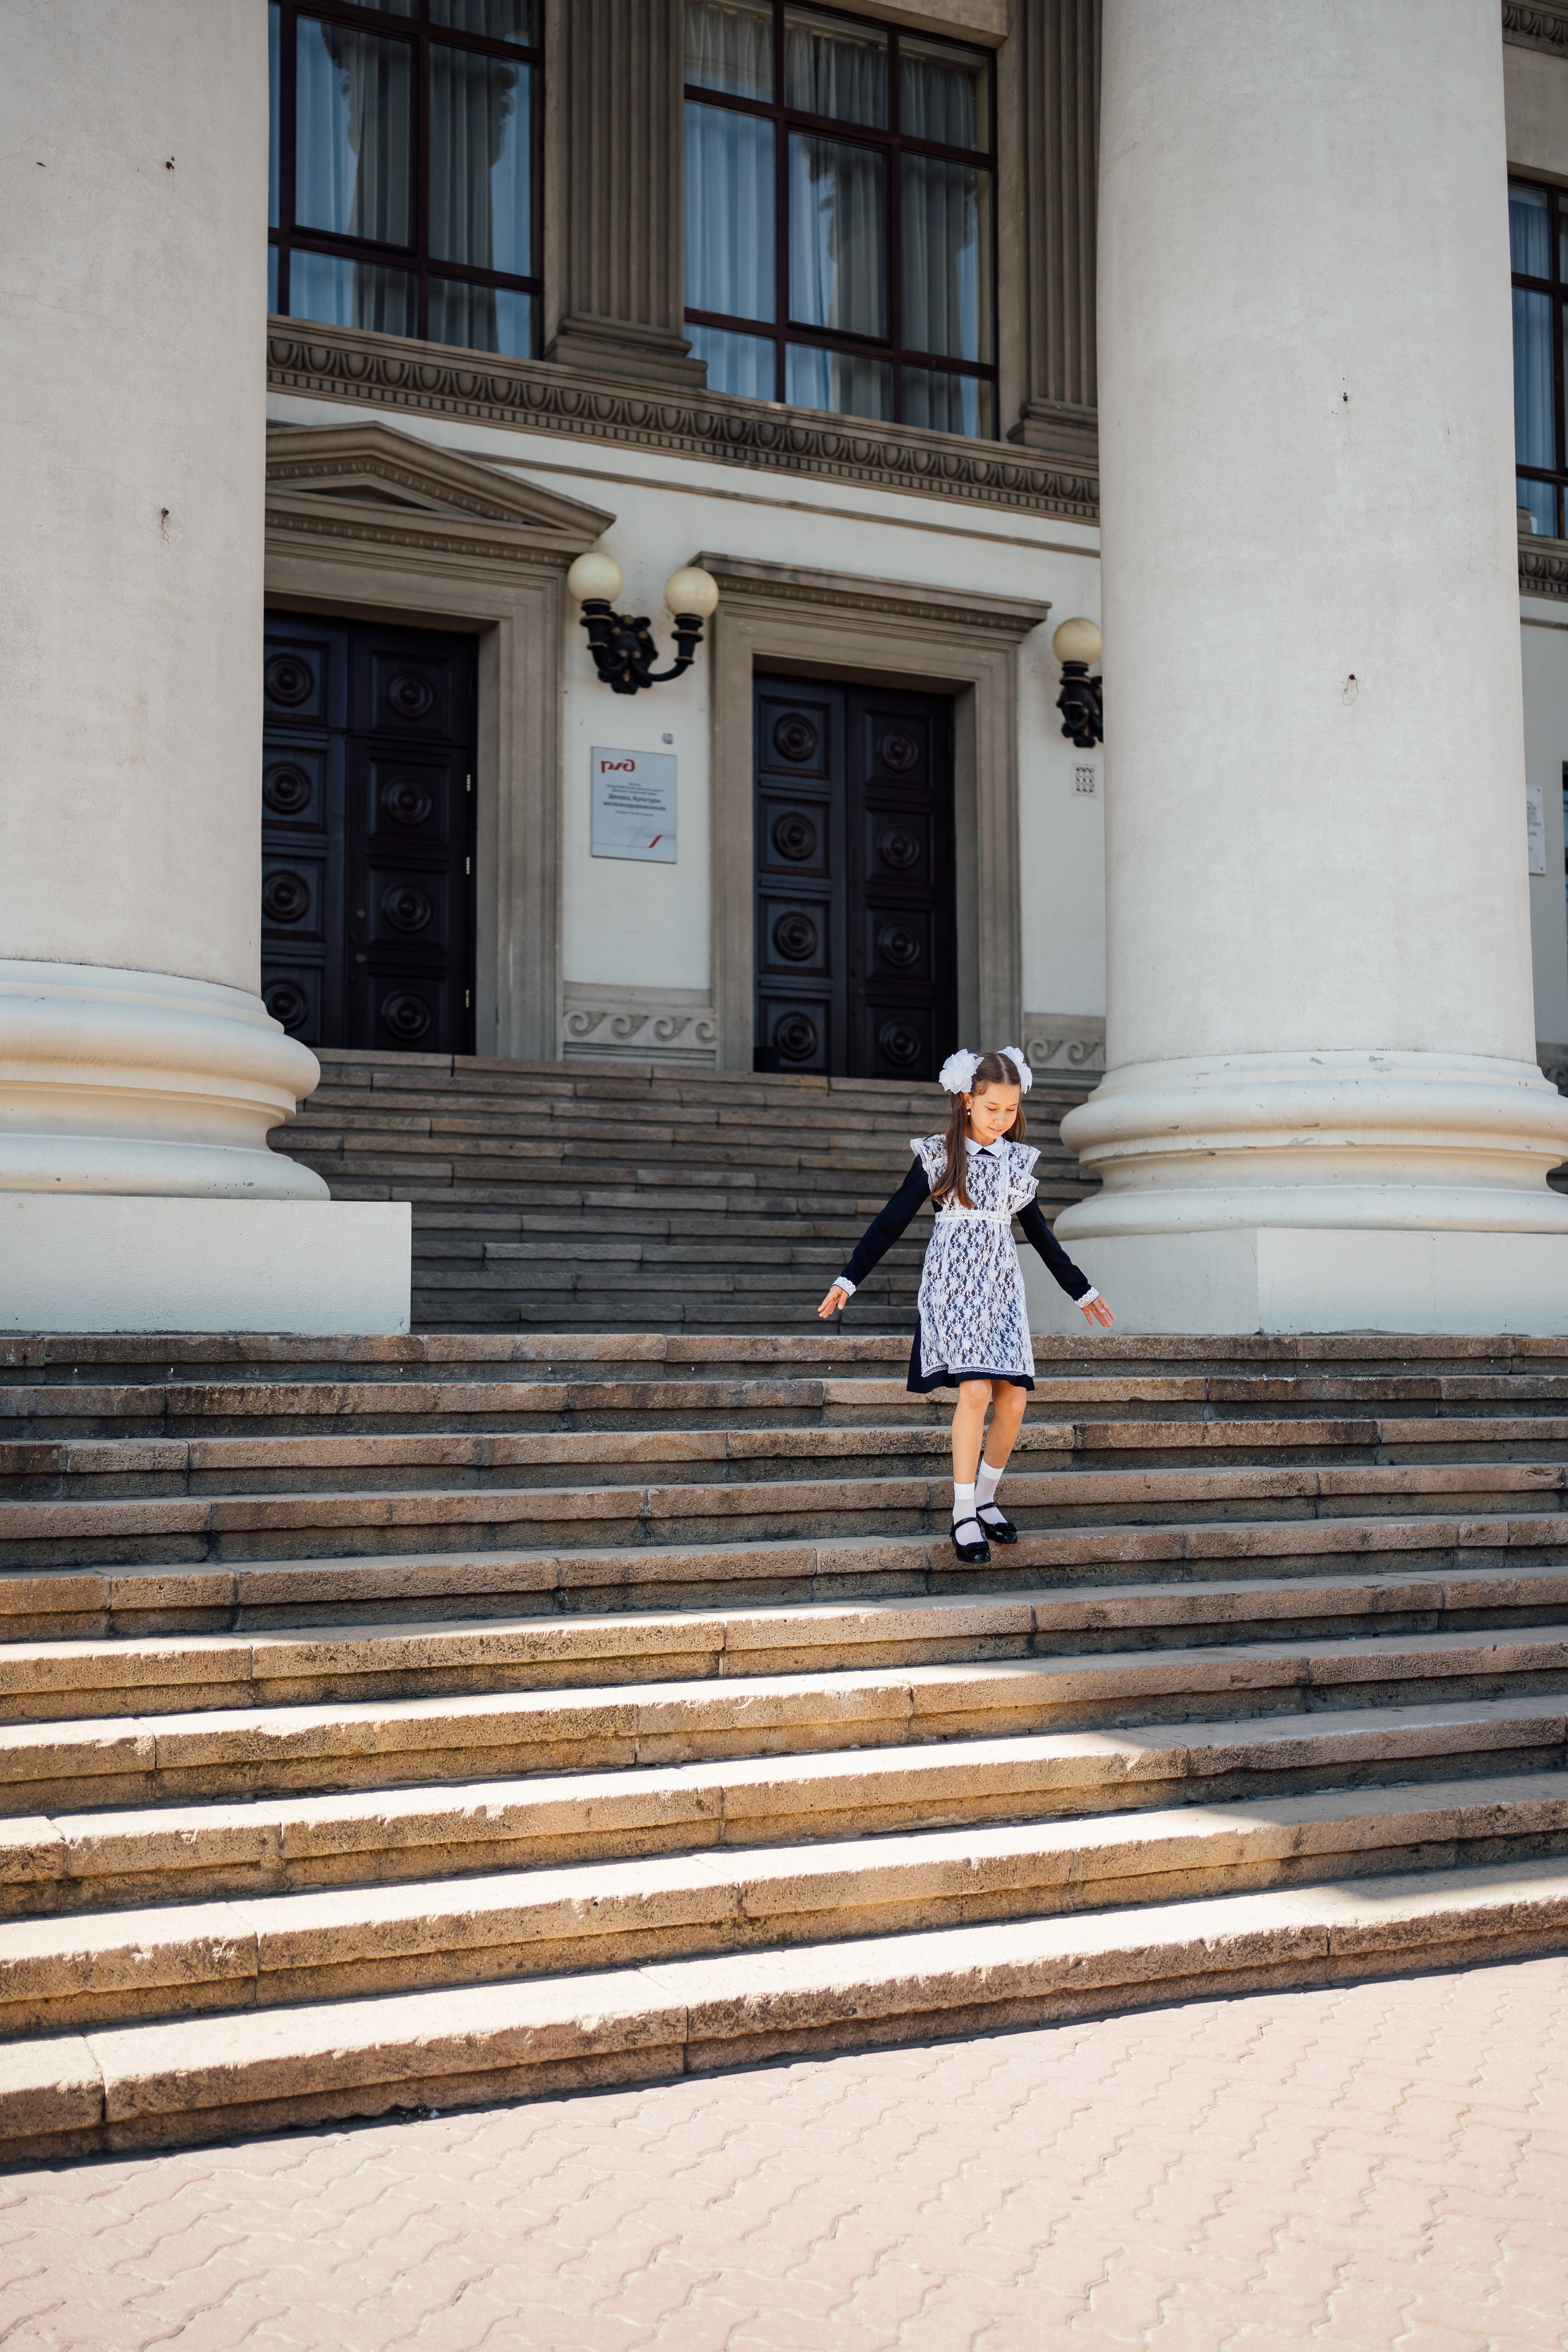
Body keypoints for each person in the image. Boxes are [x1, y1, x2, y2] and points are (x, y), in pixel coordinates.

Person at [818, 1047, 1116, 1564]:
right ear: (967, 1100)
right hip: (952, 1289)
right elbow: (890, 1221)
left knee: (1014, 1399)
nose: (1002, 1119)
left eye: (1011, 1109)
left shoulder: (1015, 1162)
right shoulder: (939, 1155)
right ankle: (962, 1513)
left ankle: (985, 1498)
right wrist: (850, 1278)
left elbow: (1041, 1236)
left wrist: (1081, 1289)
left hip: (1001, 1293)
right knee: (975, 1390)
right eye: (992, 1107)